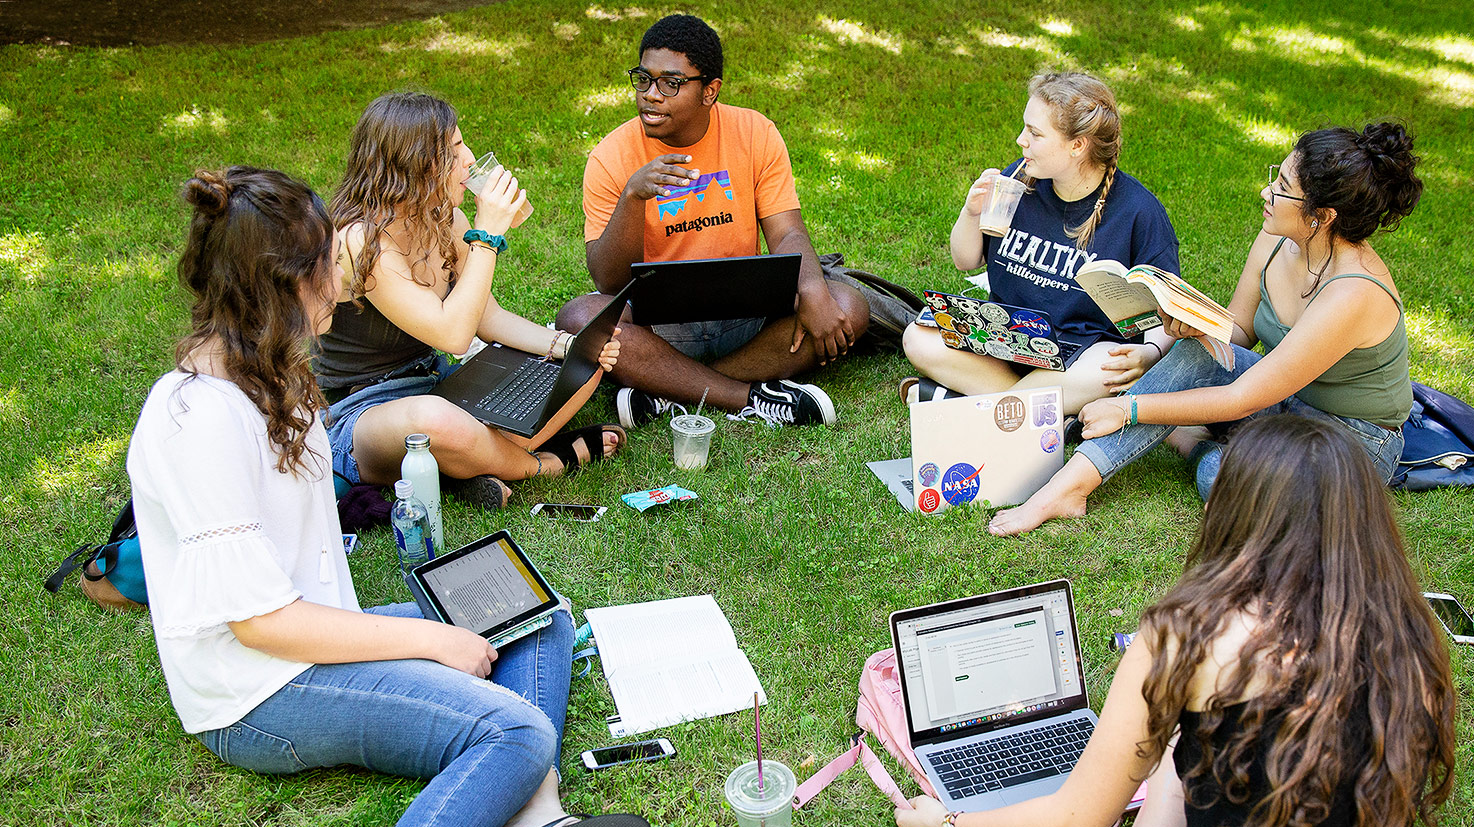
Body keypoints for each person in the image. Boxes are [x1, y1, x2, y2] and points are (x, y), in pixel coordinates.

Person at [129, 167, 653, 827]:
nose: (341, 286)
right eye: (325, 269)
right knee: (514, 728)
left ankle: (525, 810)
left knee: (537, 616)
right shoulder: (196, 420)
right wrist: (428, 638)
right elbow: (263, 624)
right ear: (281, 285)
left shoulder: (270, 375)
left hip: (317, 635)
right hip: (258, 690)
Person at [859, 415, 1456, 827]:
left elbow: (1073, 824)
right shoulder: (1408, 646)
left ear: (1235, 509)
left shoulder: (1193, 635)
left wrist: (951, 823)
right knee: (1192, 743)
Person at [990, 121, 1423, 536]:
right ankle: (1068, 489)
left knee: (1221, 481)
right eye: (1276, 177)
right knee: (1197, 353)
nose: (1266, 192)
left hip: (1349, 440)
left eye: (1282, 187)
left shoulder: (1353, 293)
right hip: (1284, 401)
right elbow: (1238, 333)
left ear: (1321, 216)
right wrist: (1192, 325)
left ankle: (1195, 442)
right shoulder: (1278, 240)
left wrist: (1129, 409)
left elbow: (1243, 397)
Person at [555, 13, 870, 429]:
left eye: (671, 83)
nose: (651, 95)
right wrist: (633, 198)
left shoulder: (754, 132)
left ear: (710, 91)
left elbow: (787, 231)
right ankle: (746, 397)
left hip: (748, 314)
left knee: (847, 306)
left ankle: (668, 390)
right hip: (657, 324)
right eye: (643, 79)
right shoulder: (610, 157)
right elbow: (608, 282)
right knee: (579, 320)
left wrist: (813, 289)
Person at [315, 91, 626, 511]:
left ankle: (466, 466)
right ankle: (542, 464)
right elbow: (454, 336)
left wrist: (567, 346)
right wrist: (488, 236)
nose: (469, 160)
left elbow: (488, 318)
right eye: (454, 150)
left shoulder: (444, 219)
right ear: (414, 163)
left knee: (584, 365)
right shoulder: (361, 240)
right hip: (365, 409)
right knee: (434, 422)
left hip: (438, 381)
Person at [901, 70, 1180, 411]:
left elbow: (1168, 305)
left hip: (1080, 356)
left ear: (1077, 146)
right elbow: (966, 261)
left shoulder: (1138, 211)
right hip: (1006, 338)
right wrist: (971, 212)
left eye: (1035, 133)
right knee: (918, 338)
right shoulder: (1019, 179)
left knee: (1108, 369)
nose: (1021, 140)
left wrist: (1150, 353)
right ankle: (1041, 413)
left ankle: (971, 405)